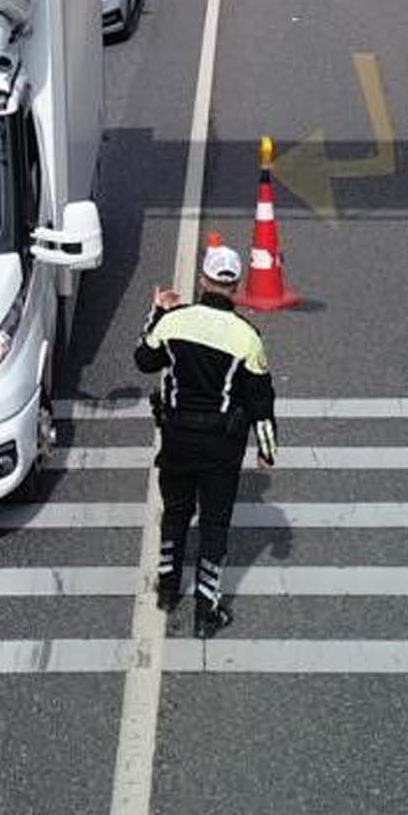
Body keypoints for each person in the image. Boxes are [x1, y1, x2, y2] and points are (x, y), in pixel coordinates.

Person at [134, 239, 278, 637]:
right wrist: (267, 450)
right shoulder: (247, 336)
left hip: (177, 438)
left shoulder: (174, 321)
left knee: (176, 514)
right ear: (236, 287)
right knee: (215, 525)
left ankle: (166, 589)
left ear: (202, 281)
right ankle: (205, 612)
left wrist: (156, 311)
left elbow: (144, 359)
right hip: (221, 448)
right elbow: (260, 399)